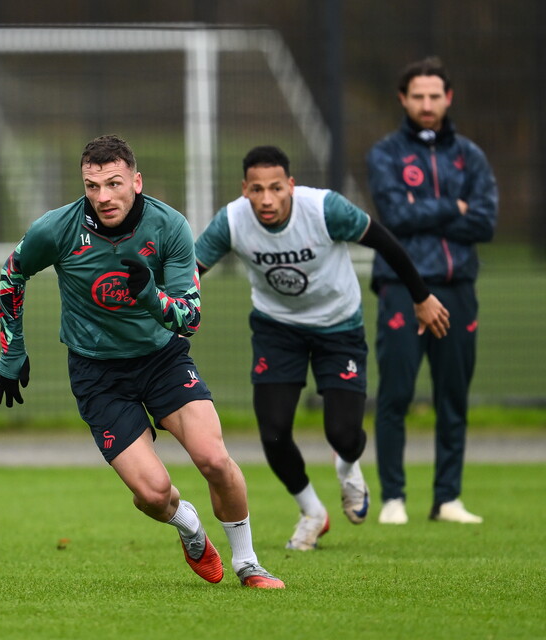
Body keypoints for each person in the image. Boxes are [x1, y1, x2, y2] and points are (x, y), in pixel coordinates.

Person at [0, 134, 284, 588]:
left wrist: (149, 296)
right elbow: (12, 272)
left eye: (114, 183)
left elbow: (190, 318)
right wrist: (12, 349)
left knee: (215, 459)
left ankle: (248, 564)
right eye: (92, 186)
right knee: (153, 494)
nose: (103, 197)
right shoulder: (59, 228)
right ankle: (190, 527)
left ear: (136, 182)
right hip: (97, 373)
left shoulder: (170, 227)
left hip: (162, 360)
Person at [194, 145, 450, 551]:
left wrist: (421, 297)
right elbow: (192, 270)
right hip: (277, 329)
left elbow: (384, 241)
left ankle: (348, 468)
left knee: (344, 434)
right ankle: (312, 512)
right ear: (245, 189)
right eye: (257, 189)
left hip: (339, 328)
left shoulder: (326, 209)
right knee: (274, 434)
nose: (266, 199)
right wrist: (168, 305)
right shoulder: (231, 220)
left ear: (291, 186)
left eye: (276, 188)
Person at [367, 56, 498, 525]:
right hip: (402, 287)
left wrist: (427, 208)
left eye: (434, 96)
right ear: (403, 99)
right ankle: (393, 499)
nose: (426, 104)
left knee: (453, 394)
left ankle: (447, 499)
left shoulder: (471, 156)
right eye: (417, 96)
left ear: (448, 98)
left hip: (458, 287)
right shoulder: (384, 154)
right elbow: (394, 218)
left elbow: (485, 221)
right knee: (396, 393)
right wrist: (453, 207)